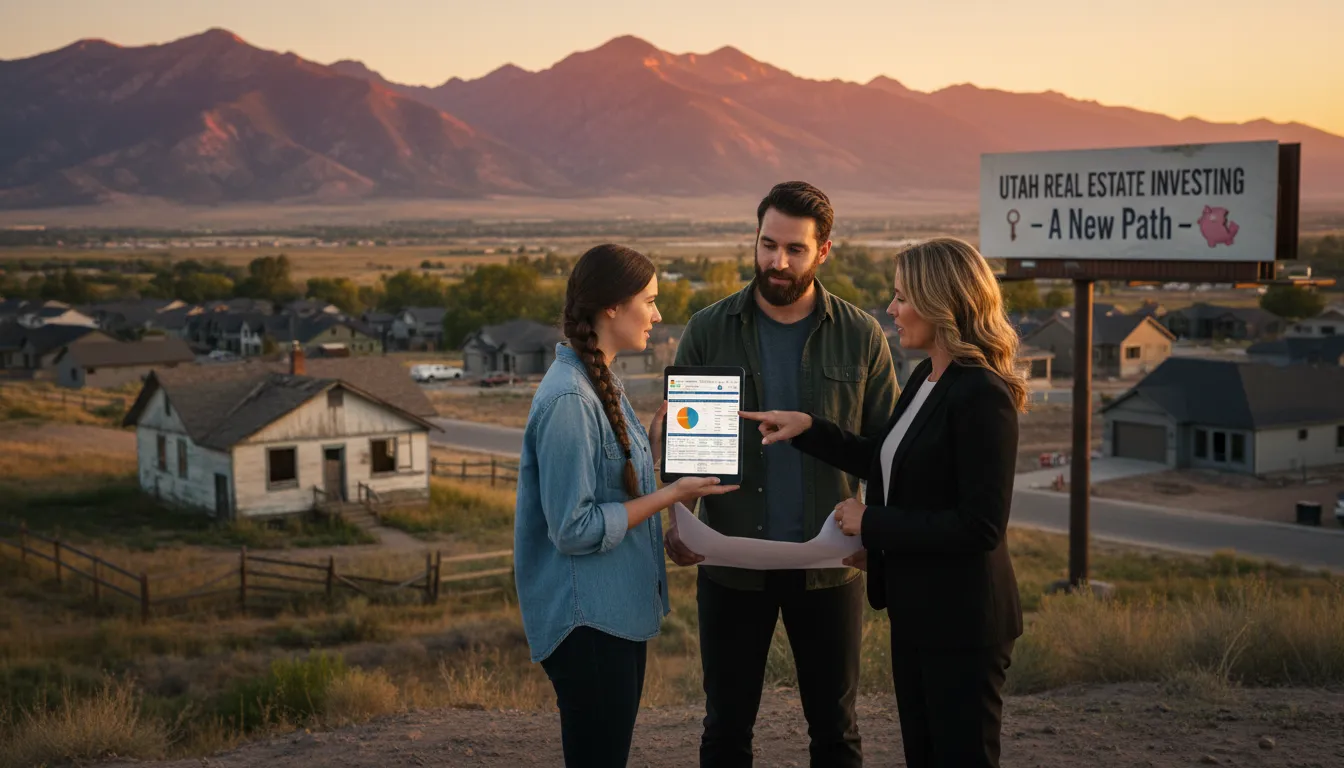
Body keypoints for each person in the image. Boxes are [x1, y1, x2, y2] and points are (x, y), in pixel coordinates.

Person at [741, 236, 1028, 768]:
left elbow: (980, 526)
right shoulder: (925, 377)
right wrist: (808, 429)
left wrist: (872, 522)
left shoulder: (983, 394)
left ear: (943, 302)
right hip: (917, 609)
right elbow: (888, 458)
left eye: (902, 297)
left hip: (964, 621)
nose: (891, 310)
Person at [666, 181, 900, 767]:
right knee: (725, 727)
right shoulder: (707, 329)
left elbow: (889, 454)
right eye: (768, 244)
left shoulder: (862, 335)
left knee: (836, 729)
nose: (778, 260)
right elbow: (685, 445)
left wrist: (882, 534)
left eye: (795, 249)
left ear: (823, 252)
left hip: (831, 567)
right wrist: (678, 525)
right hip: (730, 563)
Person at [513, 244, 739, 768]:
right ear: (611, 306)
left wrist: (654, 451)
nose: (658, 316)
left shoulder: (600, 379)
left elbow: (607, 489)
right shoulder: (570, 398)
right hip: (588, 620)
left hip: (612, 612)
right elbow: (573, 528)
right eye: (650, 300)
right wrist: (673, 494)